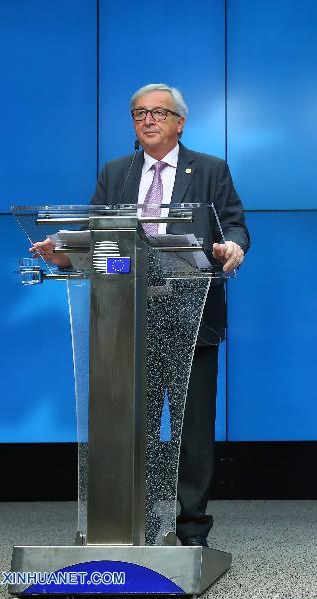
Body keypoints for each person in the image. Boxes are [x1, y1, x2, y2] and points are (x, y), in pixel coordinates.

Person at [31, 83, 250, 547]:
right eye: (139, 113)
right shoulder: (117, 172)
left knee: (192, 431)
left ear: (179, 122)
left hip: (193, 319)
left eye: (158, 112)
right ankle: (140, 525)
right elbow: (99, 236)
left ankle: (191, 530)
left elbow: (235, 223)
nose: (147, 120)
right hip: (127, 320)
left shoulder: (210, 169)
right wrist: (66, 253)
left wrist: (233, 246)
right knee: (138, 430)